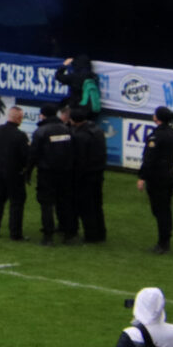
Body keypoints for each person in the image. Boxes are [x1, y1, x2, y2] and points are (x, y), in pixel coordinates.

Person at [28, 102, 77, 245]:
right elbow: (73, 151)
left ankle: (48, 236)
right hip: (66, 172)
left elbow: (33, 154)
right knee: (65, 202)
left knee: (46, 204)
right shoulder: (66, 130)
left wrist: (28, 171)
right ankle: (68, 234)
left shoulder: (41, 131)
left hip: (47, 173)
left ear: (42, 115)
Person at [0, 105, 30, 240]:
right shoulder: (20, 136)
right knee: (16, 203)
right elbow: (26, 155)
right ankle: (15, 233)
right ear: (19, 119)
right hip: (15, 174)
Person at [136, 106, 173, 254]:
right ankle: (165, 239)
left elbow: (149, 158)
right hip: (168, 176)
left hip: (158, 178)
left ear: (158, 118)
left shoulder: (157, 136)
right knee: (165, 210)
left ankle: (163, 243)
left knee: (160, 210)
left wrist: (142, 177)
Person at [71, 106, 108, 242]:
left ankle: (91, 235)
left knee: (86, 206)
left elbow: (80, 160)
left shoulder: (80, 136)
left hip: (85, 175)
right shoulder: (97, 130)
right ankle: (101, 233)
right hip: (98, 172)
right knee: (97, 204)